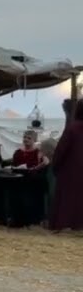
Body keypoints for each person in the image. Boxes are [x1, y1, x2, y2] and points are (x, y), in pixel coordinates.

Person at [47, 99, 83, 233]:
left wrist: (56, 166)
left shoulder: (72, 128)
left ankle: (65, 224)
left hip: (70, 171)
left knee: (68, 198)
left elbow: (61, 149)